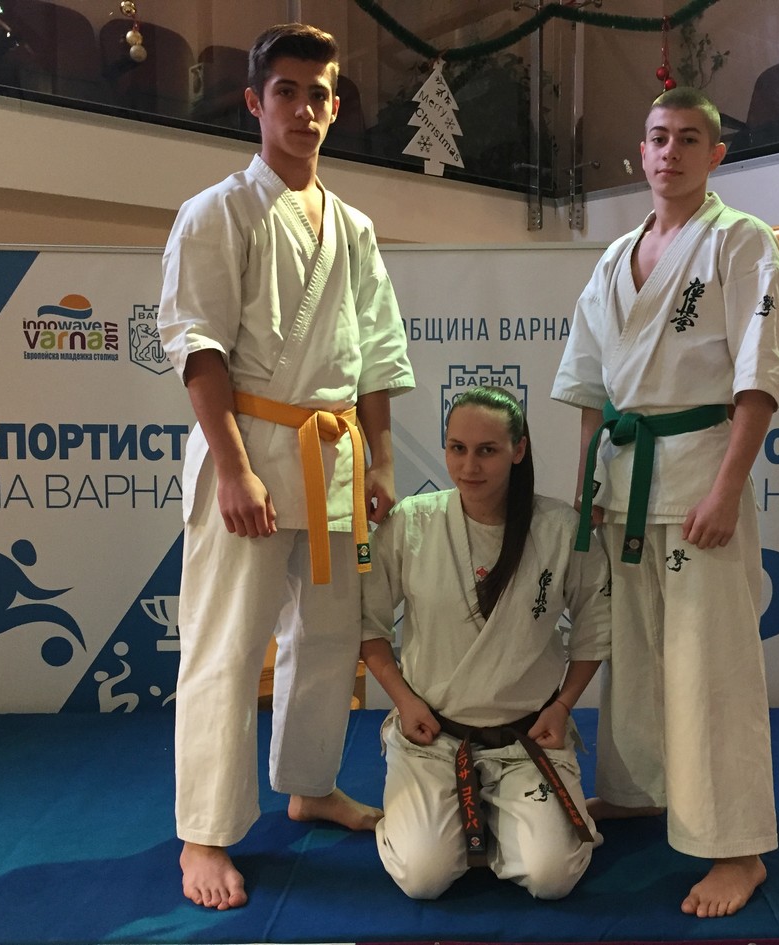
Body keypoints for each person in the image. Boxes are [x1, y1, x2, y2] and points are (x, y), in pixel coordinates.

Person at [157, 23, 414, 911]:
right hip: (252, 450)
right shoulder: (216, 212)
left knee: (329, 638)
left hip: (333, 457)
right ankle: (204, 829)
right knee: (227, 645)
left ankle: (309, 784)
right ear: (255, 103)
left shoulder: (354, 227)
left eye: (320, 95)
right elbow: (199, 348)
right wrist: (233, 470)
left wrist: (380, 462)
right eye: (287, 92)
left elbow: (376, 354)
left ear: (336, 108)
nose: (305, 109)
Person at [551, 86, 779, 919]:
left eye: (690, 138)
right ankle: (639, 788)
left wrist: (728, 487)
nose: (671, 152)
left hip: (697, 478)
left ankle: (737, 846)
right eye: (659, 137)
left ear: (715, 155)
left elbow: (758, 376)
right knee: (636, 654)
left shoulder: (740, 241)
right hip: (625, 483)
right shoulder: (614, 258)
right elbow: (591, 385)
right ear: (641, 151)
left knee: (710, 665)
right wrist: (587, 487)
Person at [360, 386, 610, 900]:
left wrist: (563, 705)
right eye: (457, 448)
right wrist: (403, 701)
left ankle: (503, 823)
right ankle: (447, 822)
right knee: (423, 877)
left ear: (519, 450)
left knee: (551, 877)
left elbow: (595, 625)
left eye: (487, 450)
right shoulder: (412, 522)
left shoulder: (559, 529)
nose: (469, 466)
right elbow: (369, 624)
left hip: (526, 738)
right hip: (433, 736)